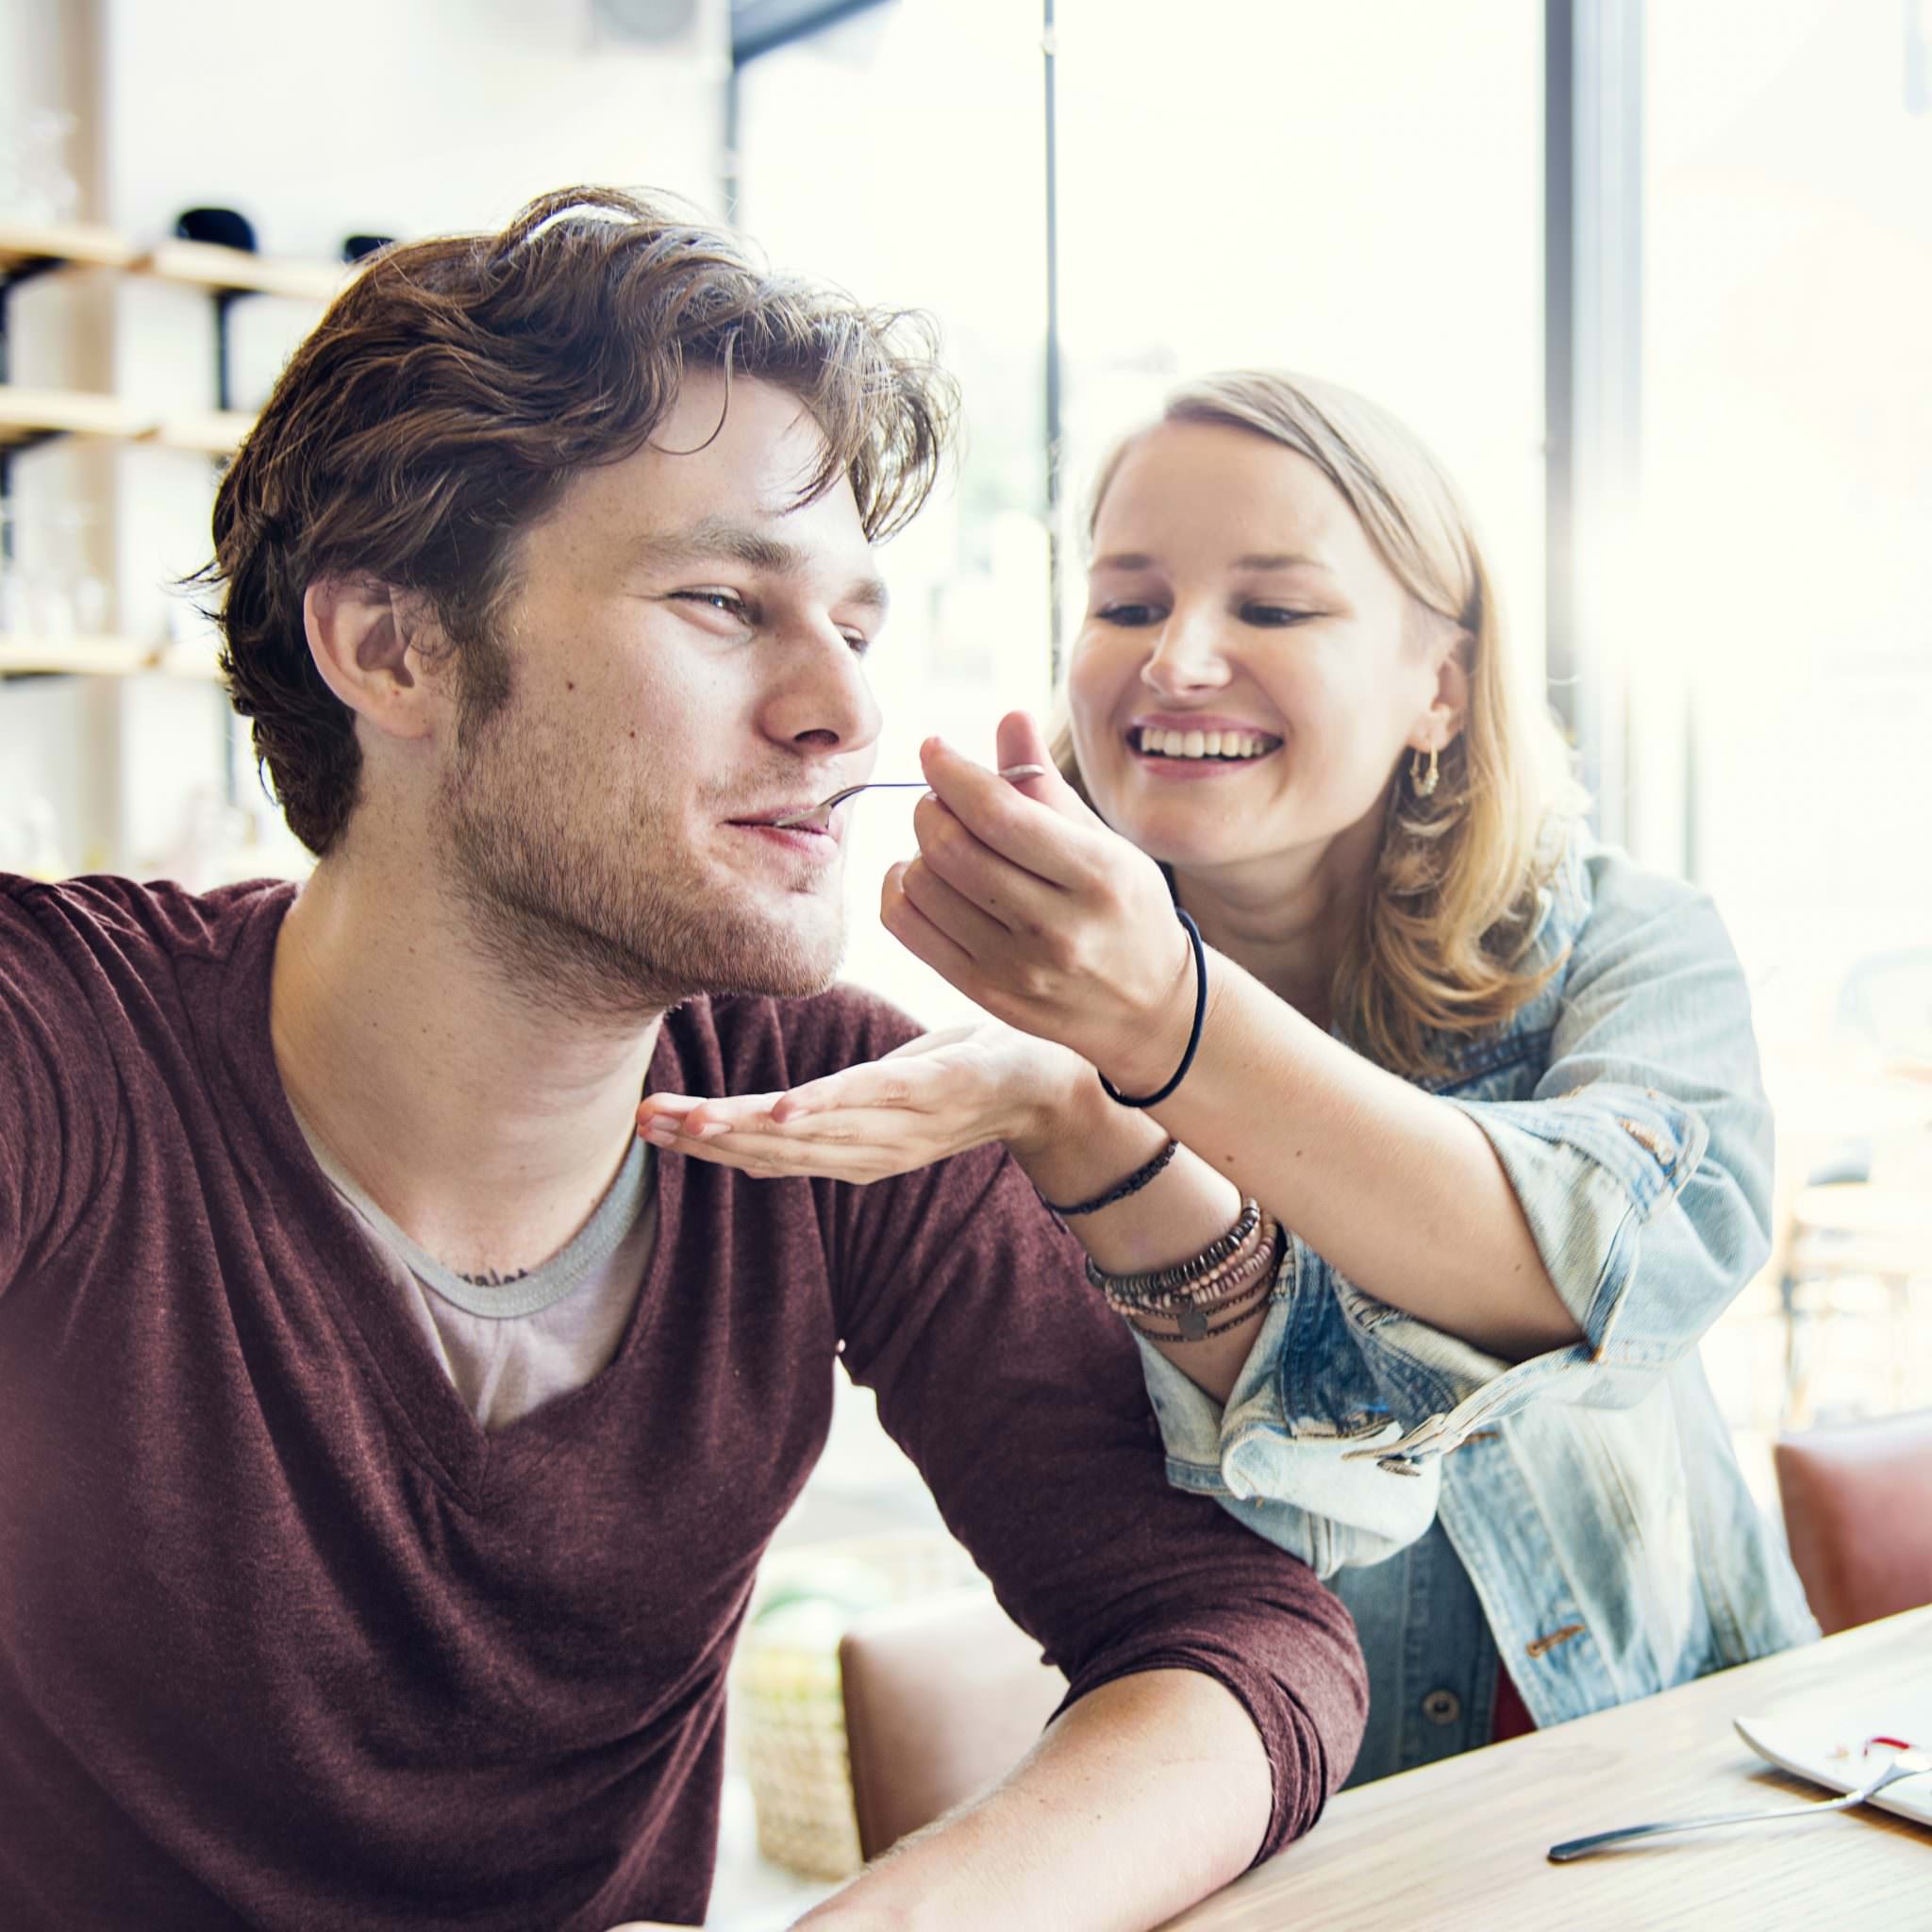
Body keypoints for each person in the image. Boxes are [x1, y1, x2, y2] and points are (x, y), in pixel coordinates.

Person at [0, 203, 1370, 1932]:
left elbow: (1245, 1639)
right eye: (726, 601)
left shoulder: (827, 1111)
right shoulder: (59, 1048)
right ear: (392, 647)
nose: (841, 714)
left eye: (856, 627)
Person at [643, 368, 1818, 1789]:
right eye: (1129, 604)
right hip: (1311, 1845)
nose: (1179, 660)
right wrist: (1085, 1099)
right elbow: (1251, 1529)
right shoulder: (1013, 1078)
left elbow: (1620, 1265)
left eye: (1273, 608)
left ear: (1437, 687)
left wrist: (1168, 1030)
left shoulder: (1621, 942)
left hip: (1698, 1781)